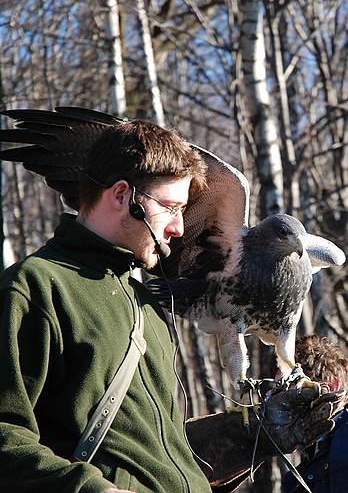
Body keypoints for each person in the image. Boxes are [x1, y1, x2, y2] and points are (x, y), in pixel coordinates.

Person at [0, 119, 341, 493]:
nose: (180, 228)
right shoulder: (36, 289)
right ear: (121, 196)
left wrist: (250, 435)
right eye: (171, 206)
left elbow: (155, 456)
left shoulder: (147, 306)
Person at [282, 334, 348, 493]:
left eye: (293, 389)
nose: (284, 402)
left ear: (331, 385)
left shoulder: (344, 437)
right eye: (278, 392)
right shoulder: (312, 455)